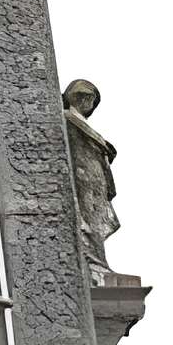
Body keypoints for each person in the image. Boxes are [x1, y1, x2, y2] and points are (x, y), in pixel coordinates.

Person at [63, 79, 121, 279]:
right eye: (90, 98)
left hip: (94, 179)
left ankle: (98, 260)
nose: (90, 103)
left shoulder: (80, 122)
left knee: (95, 220)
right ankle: (93, 261)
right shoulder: (68, 117)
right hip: (83, 177)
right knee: (88, 220)